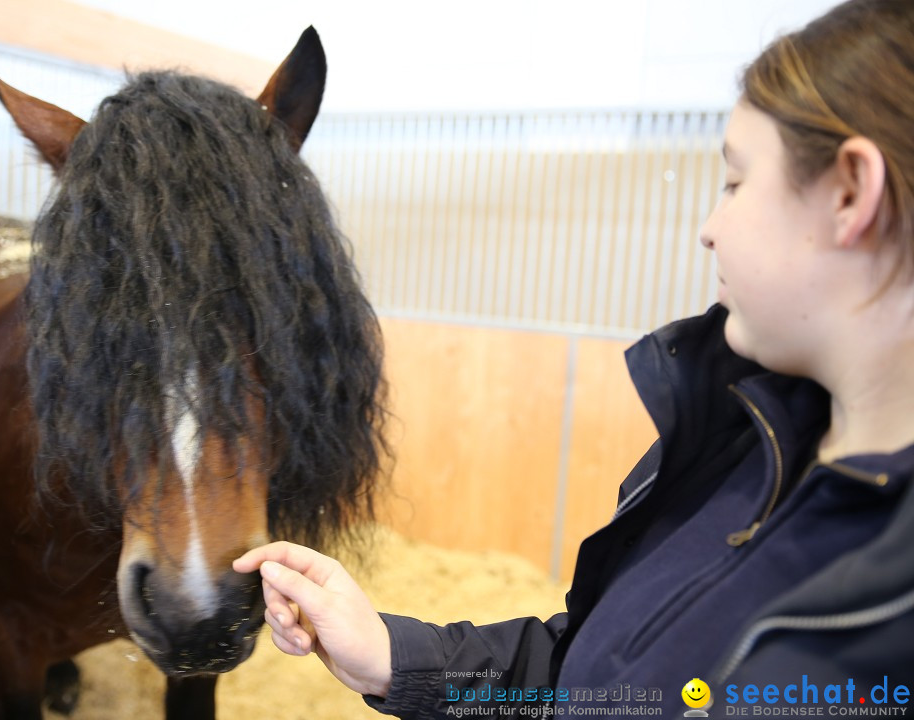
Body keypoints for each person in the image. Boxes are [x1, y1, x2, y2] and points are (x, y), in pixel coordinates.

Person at [234, 0, 914, 716]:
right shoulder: (745, 441)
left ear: (850, 193)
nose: (710, 229)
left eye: (736, 182)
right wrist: (395, 656)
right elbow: (595, 682)